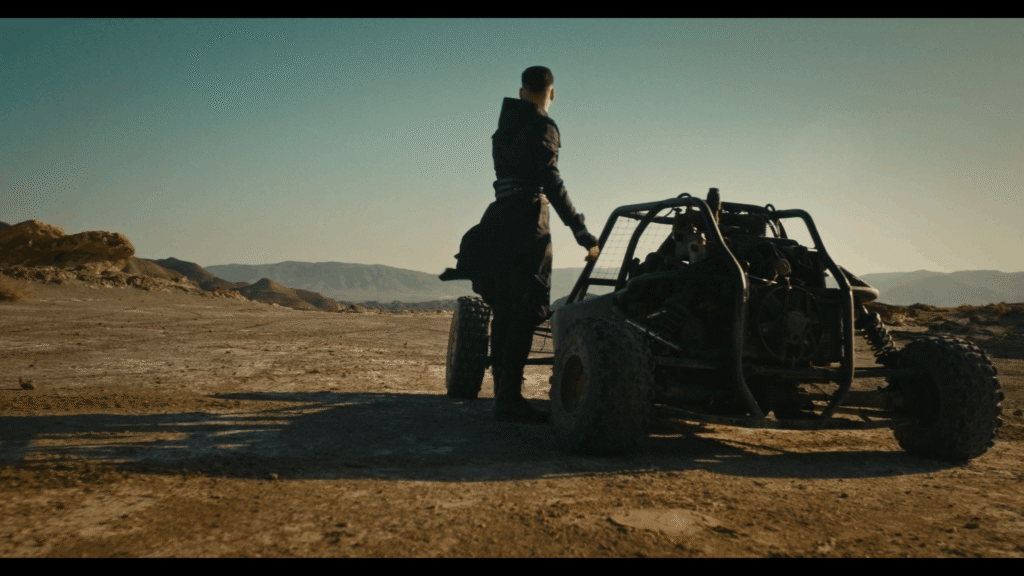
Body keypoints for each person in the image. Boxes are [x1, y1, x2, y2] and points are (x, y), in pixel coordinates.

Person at [439, 66, 600, 422]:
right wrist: (580, 230)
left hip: (498, 218)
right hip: (528, 223)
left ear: (521, 90)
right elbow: (550, 180)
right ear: (551, 93)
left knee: (505, 309)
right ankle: (508, 399)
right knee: (525, 310)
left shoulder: (504, 129)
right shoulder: (544, 126)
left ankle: (504, 395)